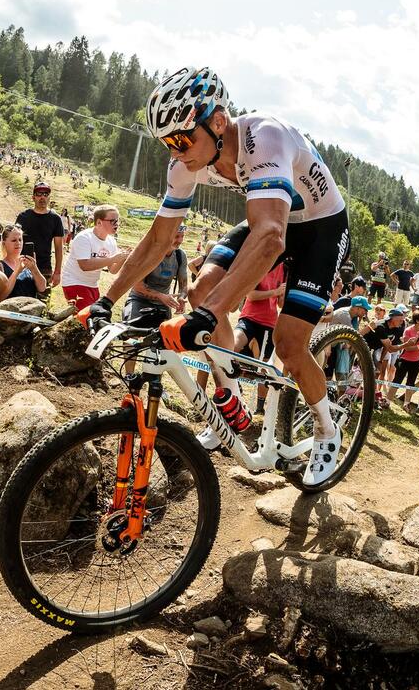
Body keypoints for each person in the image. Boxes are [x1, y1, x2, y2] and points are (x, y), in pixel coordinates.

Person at [81, 67, 353, 486]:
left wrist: (209, 315)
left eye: (182, 140)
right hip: (271, 216)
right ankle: (229, 397)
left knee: (289, 343)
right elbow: (158, 238)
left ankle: (326, 429)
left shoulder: (265, 136)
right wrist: (106, 299)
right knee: (200, 289)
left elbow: (270, 238)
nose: (175, 152)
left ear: (218, 121)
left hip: (319, 226)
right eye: (167, 143)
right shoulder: (186, 164)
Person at [235, 262, 284, 413]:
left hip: (269, 324)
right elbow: (250, 294)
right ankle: (234, 388)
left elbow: (280, 304)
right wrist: (275, 292)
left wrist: (283, 293)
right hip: (249, 318)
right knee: (232, 346)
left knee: (265, 369)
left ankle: (259, 408)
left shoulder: (285, 269)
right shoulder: (262, 261)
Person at [61, 205, 127, 310]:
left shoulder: (111, 241)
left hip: (92, 284)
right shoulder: (84, 238)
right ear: (99, 222)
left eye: (117, 221)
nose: (117, 224)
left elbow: (113, 270)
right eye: (112, 221)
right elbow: (85, 265)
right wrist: (113, 259)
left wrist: (123, 258)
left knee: (94, 316)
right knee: (87, 318)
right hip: (74, 281)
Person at [15, 182, 66, 295]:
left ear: (49, 198)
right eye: (39, 194)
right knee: (17, 300)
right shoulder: (23, 216)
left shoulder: (55, 219)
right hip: (22, 266)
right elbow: (13, 240)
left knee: (42, 305)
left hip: (44, 269)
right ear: (33, 197)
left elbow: (58, 248)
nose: (42, 197)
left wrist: (57, 272)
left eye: (45, 194)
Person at [392, 312, 419, 412]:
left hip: (416, 362)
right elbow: (408, 348)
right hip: (404, 360)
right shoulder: (408, 331)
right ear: (417, 321)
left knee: (411, 383)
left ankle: (406, 404)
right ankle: (387, 400)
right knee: (397, 381)